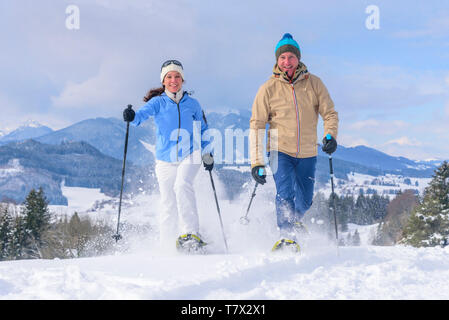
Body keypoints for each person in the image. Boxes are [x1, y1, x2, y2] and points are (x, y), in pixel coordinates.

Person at [249, 33, 339, 251]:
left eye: (290, 57)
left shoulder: (315, 84)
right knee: (285, 192)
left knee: (305, 200)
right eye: (282, 58)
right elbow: (257, 125)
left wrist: (330, 135)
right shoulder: (268, 89)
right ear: (277, 61)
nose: (286, 62)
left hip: (308, 152)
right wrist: (257, 162)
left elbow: (330, 114)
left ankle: (295, 220)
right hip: (279, 150)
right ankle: (287, 234)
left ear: (298, 59)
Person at [123, 59, 213, 252]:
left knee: (182, 185)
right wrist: (132, 116)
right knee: (167, 201)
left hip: (190, 154)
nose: (174, 80)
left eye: (177, 76)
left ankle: (190, 234)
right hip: (164, 160)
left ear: (182, 80)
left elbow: (203, 129)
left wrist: (207, 153)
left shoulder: (193, 104)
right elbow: (140, 116)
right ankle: (166, 243)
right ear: (163, 81)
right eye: (169, 77)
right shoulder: (158, 103)